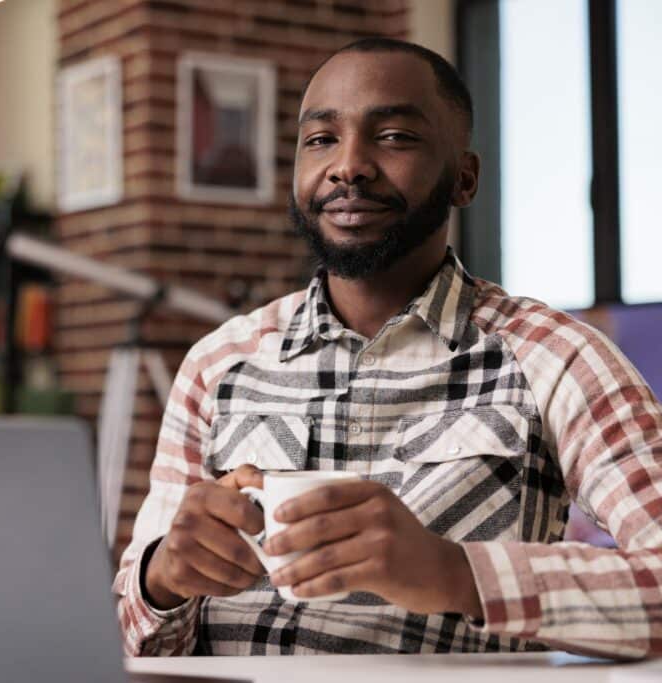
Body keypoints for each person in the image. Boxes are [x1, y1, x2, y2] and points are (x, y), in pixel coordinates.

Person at [113, 38, 662, 658]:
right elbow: (130, 637)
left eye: (395, 136)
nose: (349, 165)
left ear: (465, 178)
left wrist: (456, 574)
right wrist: (160, 580)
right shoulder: (219, 363)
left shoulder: (555, 358)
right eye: (321, 139)